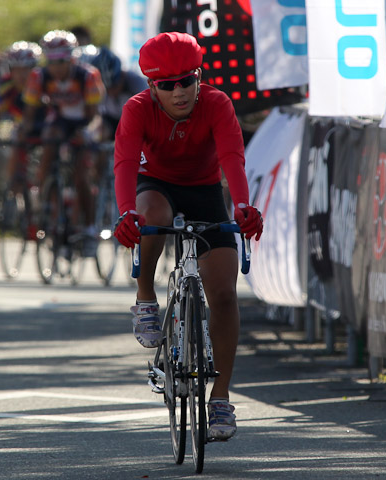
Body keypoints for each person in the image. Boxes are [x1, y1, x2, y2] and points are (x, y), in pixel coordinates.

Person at [112, 32, 263, 441]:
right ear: (151, 86)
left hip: (203, 191)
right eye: (167, 85)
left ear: (200, 76)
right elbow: (125, 162)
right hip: (155, 184)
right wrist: (127, 213)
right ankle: (146, 295)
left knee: (225, 293)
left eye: (187, 81)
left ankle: (221, 398)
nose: (179, 92)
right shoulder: (137, 109)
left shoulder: (216, 103)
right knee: (154, 214)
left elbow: (232, 156)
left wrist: (243, 206)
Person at [20, 29, 105, 255]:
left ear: (72, 58)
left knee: (81, 176)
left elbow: (96, 116)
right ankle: (44, 196)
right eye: (52, 61)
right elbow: (30, 113)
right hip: (59, 120)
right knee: (49, 140)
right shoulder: (39, 76)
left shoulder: (88, 75)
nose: (56, 67)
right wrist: (24, 132)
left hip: (84, 122)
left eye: (61, 61)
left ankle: (88, 228)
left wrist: (87, 133)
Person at [0, 41, 44, 186]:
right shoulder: (5, 86)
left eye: (26, 69)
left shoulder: (45, 84)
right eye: (16, 69)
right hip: (17, 129)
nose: (21, 75)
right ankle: (11, 185)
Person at [85, 46, 147, 141]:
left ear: (122, 75)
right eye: (107, 88)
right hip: (112, 120)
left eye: (114, 86)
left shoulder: (137, 83)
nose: (111, 92)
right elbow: (96, 115)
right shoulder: (95, 85)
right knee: (98, 135)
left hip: (136, 122)